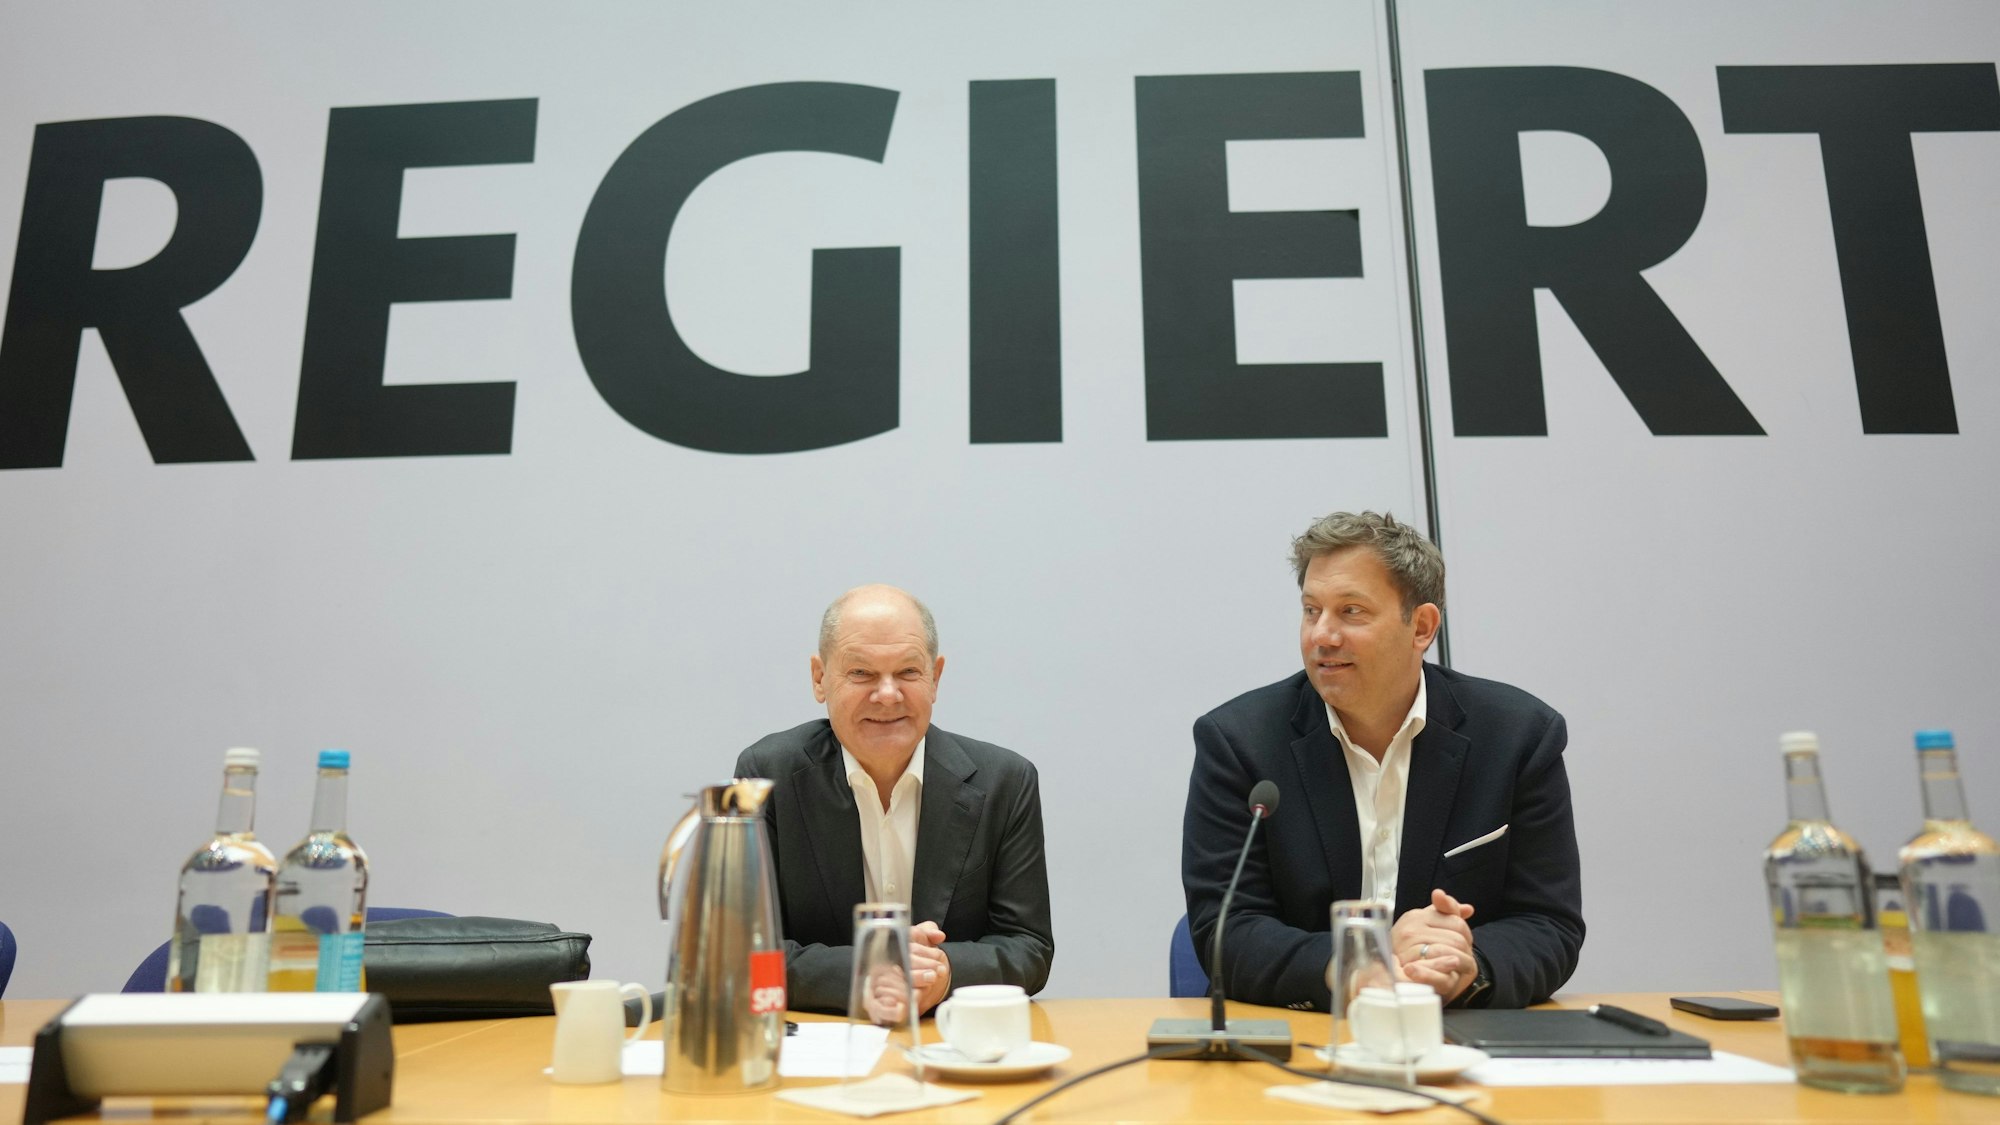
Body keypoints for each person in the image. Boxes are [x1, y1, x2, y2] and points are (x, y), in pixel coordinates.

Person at [1181, 512, 1583, 1010]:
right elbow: (1226, 930)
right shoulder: (1240, 742)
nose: (1322, 635)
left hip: (1456, 1030)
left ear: (1422, 627)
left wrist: (1469, 967)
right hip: (1303, 1026)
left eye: (1351, 611)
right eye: (1311, 610)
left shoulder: (1517, 737)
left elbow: (1548, 923)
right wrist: (1363, 962)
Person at [735, 584, 1055, 1015]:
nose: (888, 694)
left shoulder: (1005, 781)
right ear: (819, 678)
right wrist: (868, 972)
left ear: (935, 677)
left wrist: (943, 973)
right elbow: (745, 952)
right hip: (823, 1039)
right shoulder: (767, 774)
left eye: (907, 672)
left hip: (949, 1038)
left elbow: (1029, 947)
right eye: (861, 673)